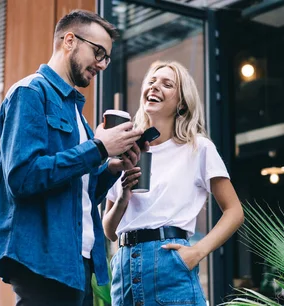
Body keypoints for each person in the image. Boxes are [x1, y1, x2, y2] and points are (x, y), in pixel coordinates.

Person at [0, 10, 145, 306]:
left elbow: (79, 194)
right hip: (43, 261)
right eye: (98, 52)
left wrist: (112, 167)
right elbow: (22, 177)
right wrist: (99, 148)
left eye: (106, 57)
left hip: (77, 262)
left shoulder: (77, 114)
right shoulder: (30, 93)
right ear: (69, 41)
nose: (101, 64)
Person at [103, 61, 245, 306]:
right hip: (124, 270)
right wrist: (124, 196)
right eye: (151, 82)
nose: (155, 87)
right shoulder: (125, 151)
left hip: (170, 263)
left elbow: (235, 212)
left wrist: (196, 252)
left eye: (167, 84)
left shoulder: (197, 148)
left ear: (181, 103)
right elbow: (109, 230)